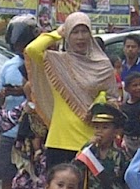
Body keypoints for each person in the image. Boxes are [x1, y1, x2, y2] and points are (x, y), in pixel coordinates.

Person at [24, 12, 120, 170]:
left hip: (90, 141)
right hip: (58, 141)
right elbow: (32, 49)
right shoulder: (57, 62)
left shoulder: (102, 65)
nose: (80, 37)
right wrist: (57, 33)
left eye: (84, 31)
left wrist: (99, 103)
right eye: (75, 32)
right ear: (67, 35)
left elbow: (113, 99)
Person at [0, 19, 40, 189]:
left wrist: (22, 90)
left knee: (33, 177)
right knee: (6, 174)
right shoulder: (9, 66)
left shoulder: (41, 63)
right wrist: (2, 95)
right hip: (10, 131)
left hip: (33, 132)